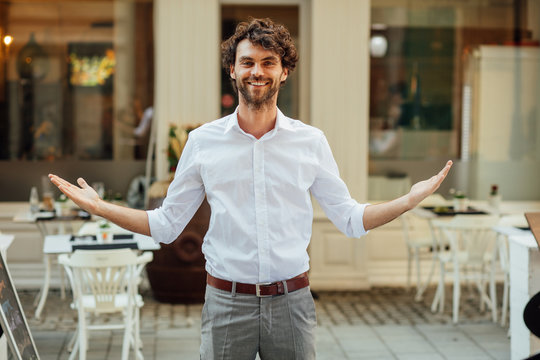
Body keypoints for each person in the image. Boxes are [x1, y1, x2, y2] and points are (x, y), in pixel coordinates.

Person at [49, 18, 452, 360]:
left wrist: (408, 200)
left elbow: (349, 219)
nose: (256, 71)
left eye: (267, 62)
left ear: (284, 71)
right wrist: (102, 209)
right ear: (232, 69)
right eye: (247, 62)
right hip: (226, 304)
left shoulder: (310, 142)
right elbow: (167, 225)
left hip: (292, 303)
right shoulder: (203, 142)